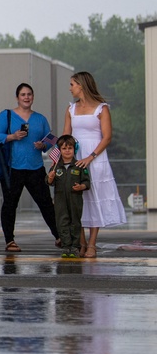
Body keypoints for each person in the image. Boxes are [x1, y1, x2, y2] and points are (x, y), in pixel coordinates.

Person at [62, 71, 125, 258]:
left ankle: (92, 244)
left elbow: (107, 137)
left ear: (81, 85)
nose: (70, 88)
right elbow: (65, 136)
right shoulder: (70, 109)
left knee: (94, 196)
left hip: (95, 158)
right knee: (76, 197)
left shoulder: (101, 109)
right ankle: (81, 243)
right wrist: (58, 157)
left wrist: (91, 157)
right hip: (76, 156)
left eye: (72, 84)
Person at [0, 83, 60, 252]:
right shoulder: (6, 115)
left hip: (35, 167)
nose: (26, 97)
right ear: (17, 97)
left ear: (33, 97)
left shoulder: (40, 118)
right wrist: (13, 136)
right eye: (23, 94)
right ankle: (10, 240)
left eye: (29, 94)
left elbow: (52, 137)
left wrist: (43, 145)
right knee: (10, 204)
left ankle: (59, 236)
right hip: (12, 167)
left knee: (45, 203)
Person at [48, 135, 90, 258]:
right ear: (59, 150)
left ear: (74, 150)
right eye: (64, 148)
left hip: (75, 200)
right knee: (62, 222)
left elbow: (87, 182)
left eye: (70, 148)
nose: (67, 151)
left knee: (75, 222)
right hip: (60, 200)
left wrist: (81, 187)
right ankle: (66, 246)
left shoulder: (80, 165)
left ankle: (75, 247)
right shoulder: (56, 167)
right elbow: (49, 182)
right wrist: (50, 178)